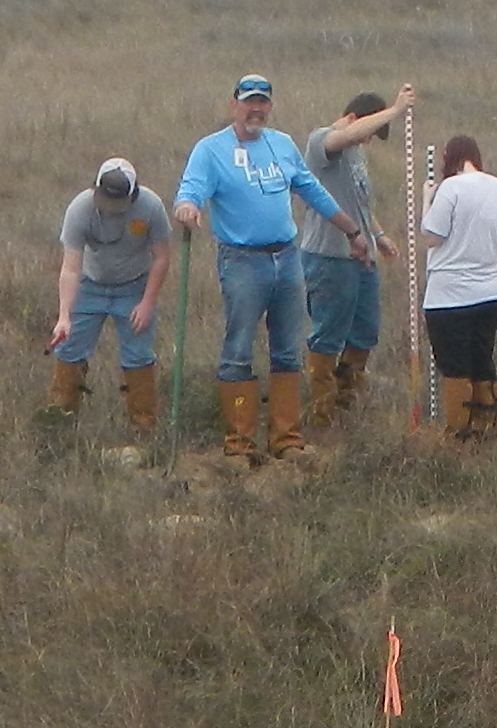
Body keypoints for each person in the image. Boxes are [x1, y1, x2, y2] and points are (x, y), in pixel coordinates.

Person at [170, 72, 345, 468]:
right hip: (242, 261)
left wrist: (350, 228)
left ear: (270, 106)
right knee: (238, 350)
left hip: (286, 258)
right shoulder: (211, 150)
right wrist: (187, 206)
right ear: (234, 104)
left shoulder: (281, 145)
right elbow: (191, 188)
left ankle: (286, 439)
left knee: (287, 348)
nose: (255, 108)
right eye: (248, 101)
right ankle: (239, 442)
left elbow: (309, 188)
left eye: (262, 102)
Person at [298, 84, 411, 430]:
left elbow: (358, 202)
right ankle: (322, 416)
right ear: (352, 119)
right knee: (328, 336)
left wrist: (378, 235)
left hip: (364, 259)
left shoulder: (357, 154)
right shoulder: (322, 142)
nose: (367, 142)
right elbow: (344, 138)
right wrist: (395, 111)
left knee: (365, 333)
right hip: (330, 256)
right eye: (368, 132)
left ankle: (349, 405)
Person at [45, 156, 174, 438]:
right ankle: (60, 425)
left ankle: (143, 430)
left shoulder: (150, 207)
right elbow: (70, 268)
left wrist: (147, 303)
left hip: (134, 287)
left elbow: (162, 258)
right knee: (69, 349)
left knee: (138, 355)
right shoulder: (80, 209)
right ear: (96, 190)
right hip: (89, 286)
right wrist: (65, 316)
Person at [418, 134, 497, 447]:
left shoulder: (450, 189)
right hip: (489, 292)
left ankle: (458, 435)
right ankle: (486, 427)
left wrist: (426, 199)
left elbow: (432, 236)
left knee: (455, 366)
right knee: (482, 360)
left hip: (448, 295)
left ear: (449, 158)